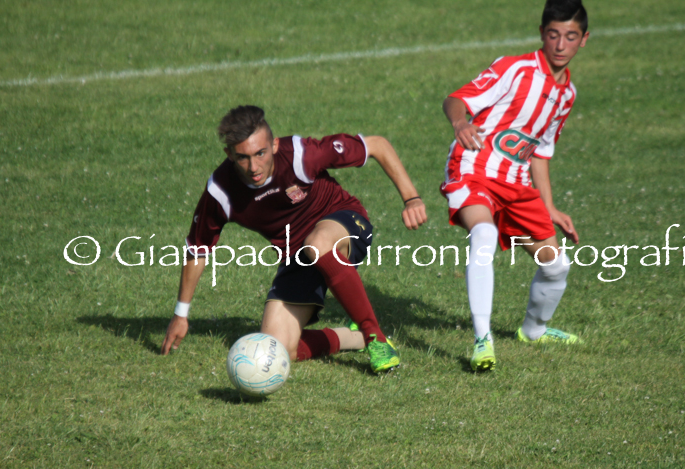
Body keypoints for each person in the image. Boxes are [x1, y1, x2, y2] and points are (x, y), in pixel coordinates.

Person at [161, 105, 427, 373]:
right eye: (242, 157)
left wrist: (411, 199)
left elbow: (377, 145)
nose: (253, 167)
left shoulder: (301, 155)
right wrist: (181, 314)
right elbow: (198, 249)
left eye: (260, 153)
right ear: (228, 154)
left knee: (318, 244)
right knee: (277, 348)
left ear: (275, 145)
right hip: (297, 255)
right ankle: (353, 337)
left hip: (345, 224)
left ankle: (375, 338)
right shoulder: (221, 191)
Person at [441, 0, 589, 371]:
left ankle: (534, 331)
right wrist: (460, 123)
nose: (560, 45)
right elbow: (456, 99)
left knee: (557, 266)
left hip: (517, 184)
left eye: (570, 36)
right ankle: (482, 340)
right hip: (474, 166)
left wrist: (549, 206)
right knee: (484, 234)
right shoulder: (515, 68)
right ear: (542, 34)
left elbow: (540, 152)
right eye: (553, 35)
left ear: (584, 40)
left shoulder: (567, 95)